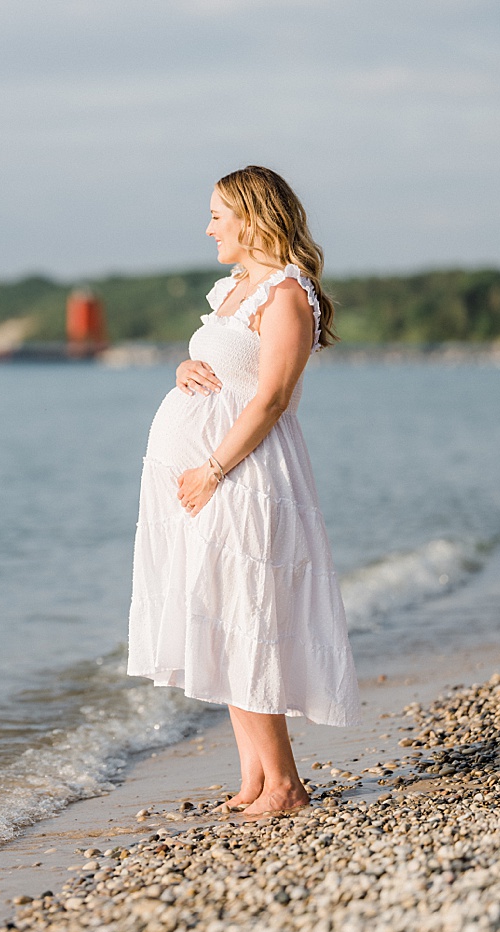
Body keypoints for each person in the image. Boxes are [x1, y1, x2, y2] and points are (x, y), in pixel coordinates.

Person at [127, 165, 360, 817]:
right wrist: (185, 366)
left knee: (248, 617)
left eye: (216, 216)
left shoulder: (287, 292)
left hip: (246, 474)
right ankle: (255, 778)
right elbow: (228, 367)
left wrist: (212, 469)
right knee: (223, 615)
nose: (207, 228)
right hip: (216, 475)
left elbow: (273, 398)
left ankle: (284, 785)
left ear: (253, 219)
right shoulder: (234, 289)